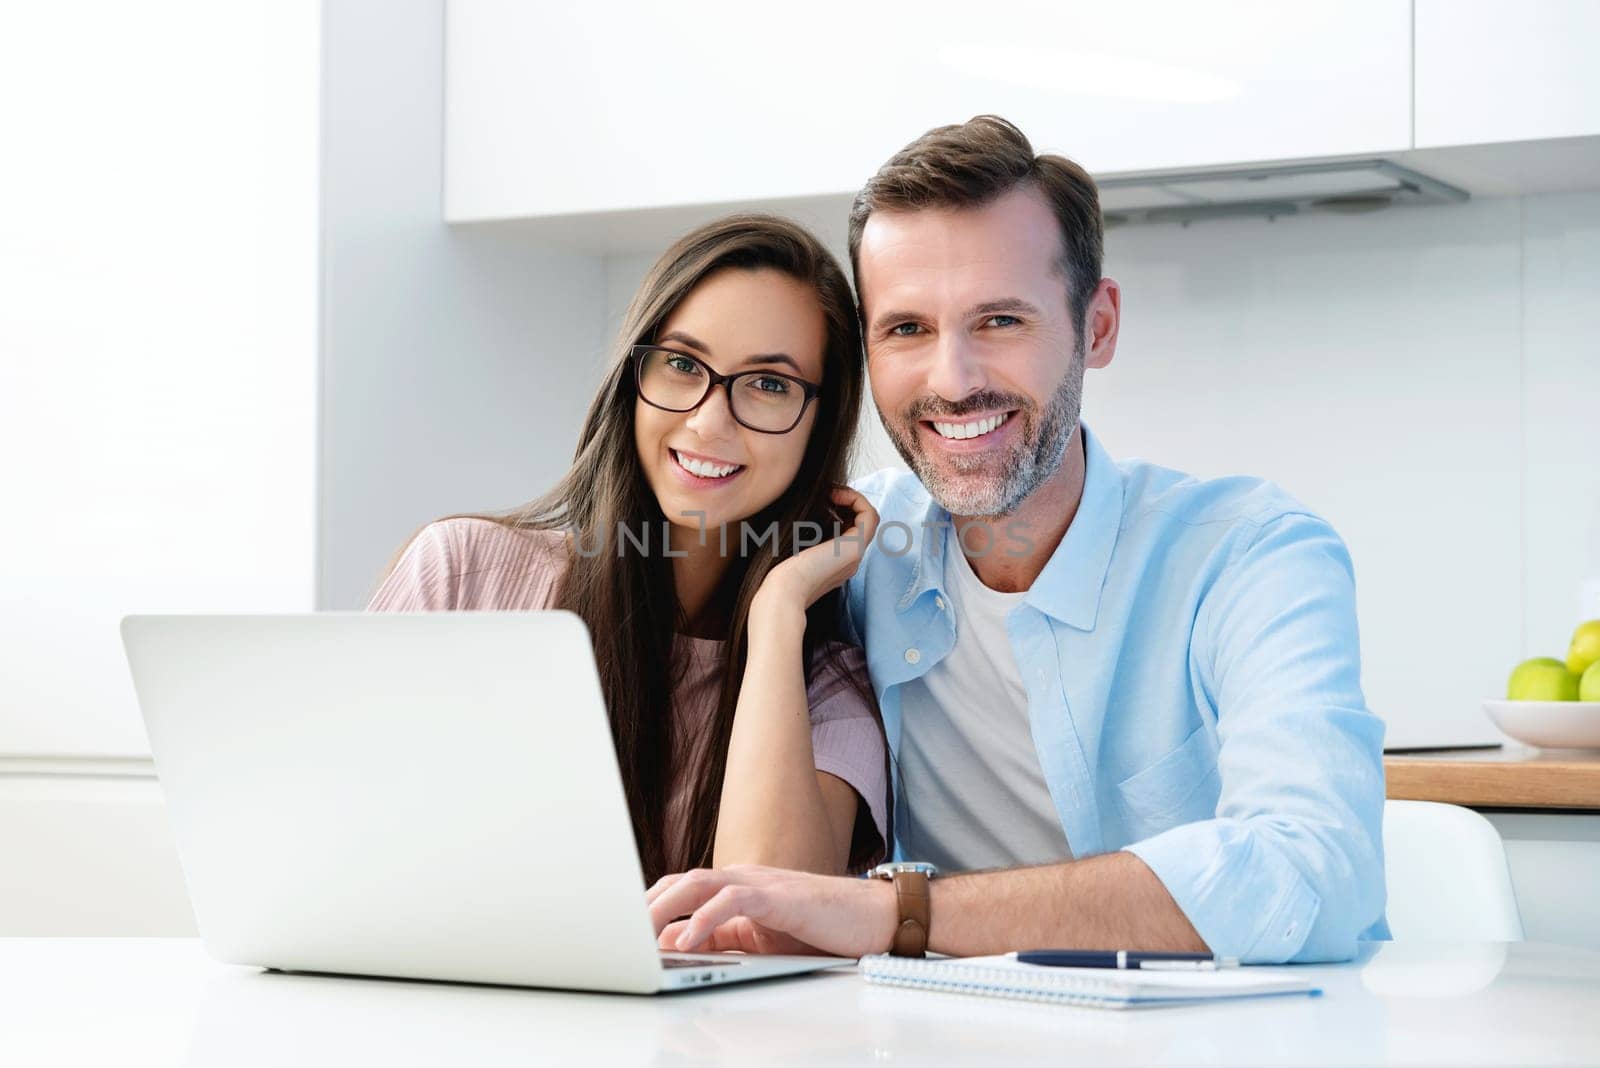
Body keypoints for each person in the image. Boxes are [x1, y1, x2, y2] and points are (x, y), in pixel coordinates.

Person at [647, 117, 1389, 964]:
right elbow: (772, 903)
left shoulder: (1251, 556)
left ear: (1097, 326)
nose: (954, 381)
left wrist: (901, 913)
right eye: (907, 330)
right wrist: (777, 606)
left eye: (1000, 321)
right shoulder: (854, 555)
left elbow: (1314, 872)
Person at [369, 215, 889, 885]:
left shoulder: (824, 690)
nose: (708, 422)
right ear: (632, 378)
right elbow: (339, 841)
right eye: (680, 364)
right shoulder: (462, 577)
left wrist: (778, 612)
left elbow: (771, 919)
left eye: (768, 384)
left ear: (819, 429)